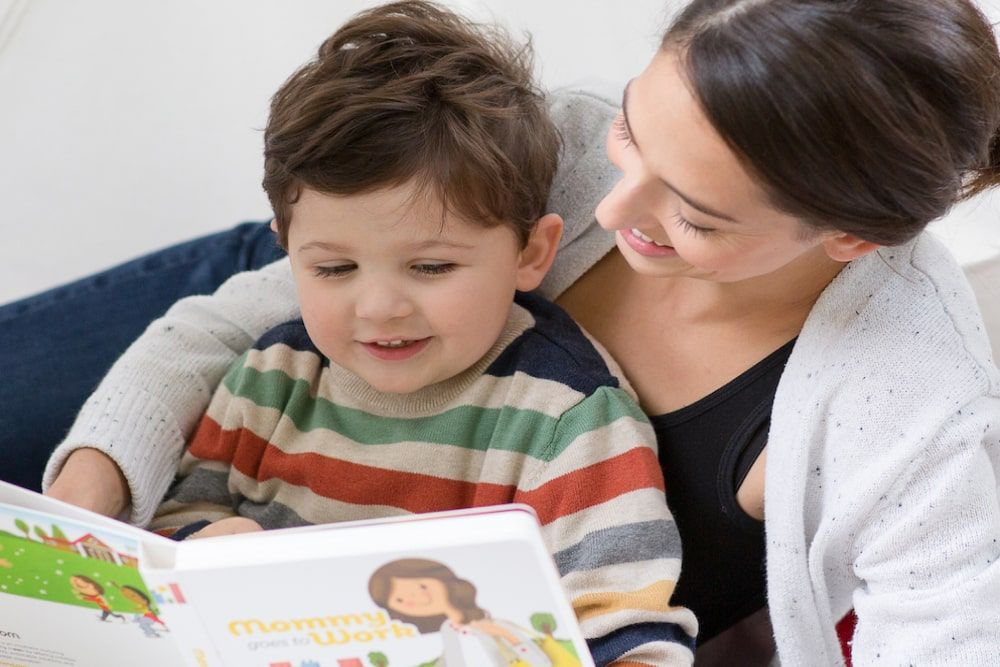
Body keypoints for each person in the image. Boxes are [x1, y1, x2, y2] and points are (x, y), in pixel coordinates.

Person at [8, 0, 998, 663]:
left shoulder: (911, 409)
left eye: (694, 214)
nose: (611, 210)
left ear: (846, 238)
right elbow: (236, 319)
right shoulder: (541, 157)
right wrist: (99, 499)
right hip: (287, 312)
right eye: (632, 136)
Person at [138, 3, 696, 665]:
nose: (378, 307)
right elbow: (171, 525)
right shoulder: (271, 374)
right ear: (287, 252)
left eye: (431, 266)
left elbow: (632, 639)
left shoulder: (569, 424)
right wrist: (204, 541)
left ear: (531, 252)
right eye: (333, 267)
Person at [368, 558, 576, 666]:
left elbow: (541, 662)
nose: (418, 599)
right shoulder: (448, 630)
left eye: (422, 587)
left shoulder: (496, 625)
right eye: (401, 600)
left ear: (443, 580)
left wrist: (503, 634)